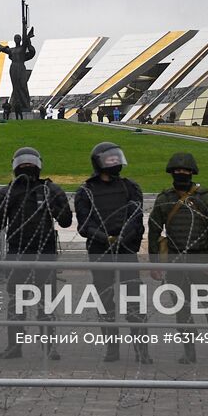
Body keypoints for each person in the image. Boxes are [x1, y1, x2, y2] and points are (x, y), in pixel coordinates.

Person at [148, 151, 208, 364]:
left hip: (201, 260)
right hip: (176, 260)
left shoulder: (203, 199)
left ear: (192, 173)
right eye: (177, 171)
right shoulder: (165, 199)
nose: (181, 174)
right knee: (183, 311)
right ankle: (189, 351)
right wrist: (155, 263)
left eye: (185, 171)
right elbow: (154, 232)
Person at [0, 146, 71, 359]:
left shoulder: (48, 190)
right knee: (17, 303)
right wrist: (5, 203)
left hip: (44, 252)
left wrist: (56, 199)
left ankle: (49, 345)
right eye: (23, 163)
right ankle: (15, 345)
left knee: (46, 303)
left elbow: (66, 220)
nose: (27, 167)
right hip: (18, 252)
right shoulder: (7, 193)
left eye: (30, 164)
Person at [76, 142, 149, 363]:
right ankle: (112, 348)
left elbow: (136, 217)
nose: (113, 162)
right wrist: (105, 238)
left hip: (126, 251)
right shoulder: (86, 191)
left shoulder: (130, 187)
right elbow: (84, 225)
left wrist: (123, 237)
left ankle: (142, 351)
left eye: (115, 158)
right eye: (109, 159)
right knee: (106, 302)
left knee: (134, 301)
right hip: (100, 251)